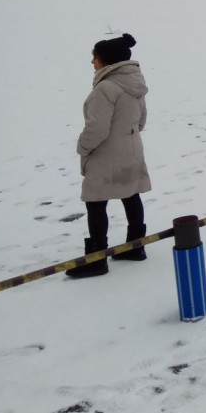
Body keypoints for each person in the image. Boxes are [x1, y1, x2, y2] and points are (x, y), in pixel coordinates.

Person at [66, 33, 152, 278]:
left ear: (107, 61)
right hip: (132, 146)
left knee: (95, 201)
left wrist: (83, 148)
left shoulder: (106, 88)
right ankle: (136, 247)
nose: (93, 62)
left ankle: (96, 259)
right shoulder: (136, 83)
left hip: (106, 153)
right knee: (130, 192)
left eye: (95, 57)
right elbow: (142, 119)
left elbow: (97, 129)